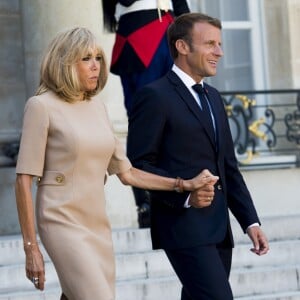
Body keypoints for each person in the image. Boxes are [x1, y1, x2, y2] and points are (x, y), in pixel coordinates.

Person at [14, 27, 219, 300]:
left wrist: (183, 184)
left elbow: (129, 173)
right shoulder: (41, 106)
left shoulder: (97, 108)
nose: (95, 66)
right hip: (60, 220)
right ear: (65, 62)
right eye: (86, 59)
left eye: (98, 58)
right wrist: (31, 247)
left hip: (97, 223)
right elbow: (23, 180)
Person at [127, 12, 269, 300]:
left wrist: (250, 222)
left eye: (219, 44)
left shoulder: (214, 97)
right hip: (182, 226)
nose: (219, 52)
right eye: (210, 44)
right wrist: (185, 193)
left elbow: (228, 167)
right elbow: (138, 166)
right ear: (182, 46)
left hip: (219, 229)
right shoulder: (154, 96)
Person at [102, 0, 190, 227]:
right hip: (140, 35)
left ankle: (180, 195)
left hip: (170, 31)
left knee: (177, 116)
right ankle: (146, 202)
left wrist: (190, 29)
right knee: (145, 120)